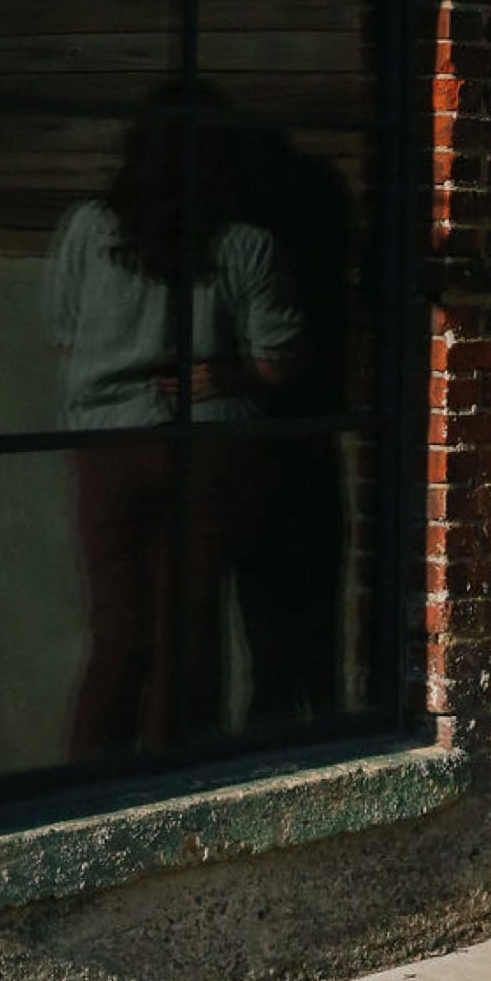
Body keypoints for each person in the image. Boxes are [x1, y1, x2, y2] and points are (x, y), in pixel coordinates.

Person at [46, 85, 304, 760]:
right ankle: (174, 784)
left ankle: (84, 792)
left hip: (106, 446)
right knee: (184, 635)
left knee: (118, 632)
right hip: (207, 444)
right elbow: (277, 363)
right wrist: (229, 374)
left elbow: (67, 343)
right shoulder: (246, 243)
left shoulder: (87, 229)